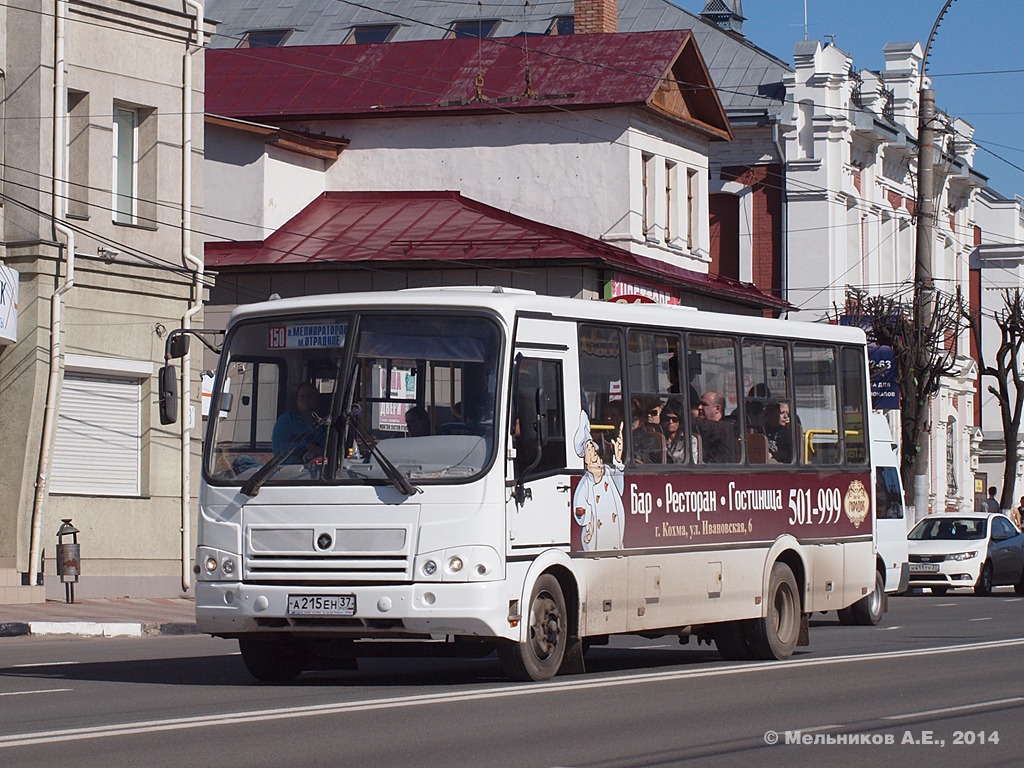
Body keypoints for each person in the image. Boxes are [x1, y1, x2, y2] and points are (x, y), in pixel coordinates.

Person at [271, 382, 326, 463]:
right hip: (290, 471)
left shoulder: (326, 423)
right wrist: (306, 446)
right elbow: (279, 448)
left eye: (310, 396)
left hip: (320, 469)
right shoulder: (286, 420)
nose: (306, 399)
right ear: (296, 401)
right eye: (302, 396)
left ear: (317, 399)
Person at [692, 390, 736, 463]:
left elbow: (701, 425)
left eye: (704, 404)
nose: (699, 407)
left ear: (717, 409)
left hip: (720, 472)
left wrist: (680, 418)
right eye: (699, 404)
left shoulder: (725, 427)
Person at [661, 399, 687, 463]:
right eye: (667, 419)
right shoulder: (658, 439)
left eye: (674, 419)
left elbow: (693, 463)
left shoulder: (689, 440)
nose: (670, 422)